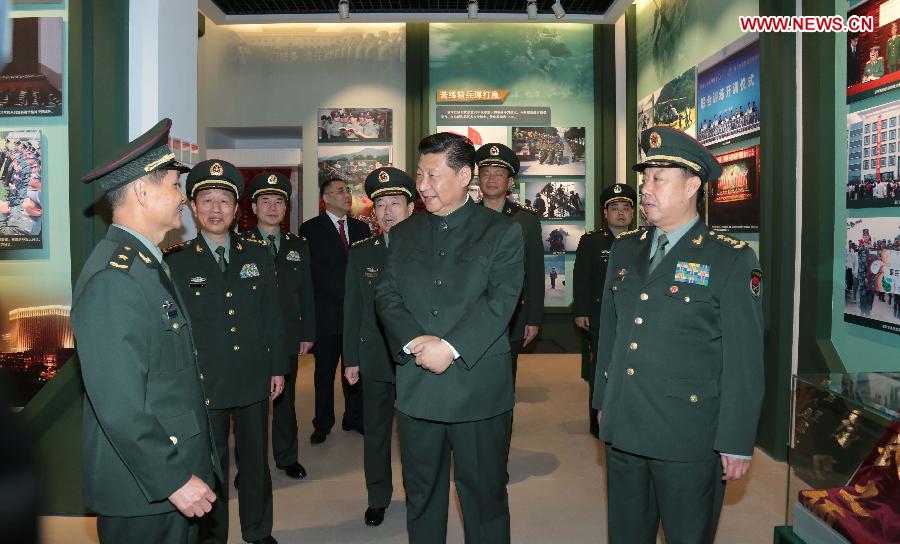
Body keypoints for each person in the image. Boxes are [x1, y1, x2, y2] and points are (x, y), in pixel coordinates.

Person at [593, 126, 764, 543]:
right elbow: (611, 333)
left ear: (691, 186)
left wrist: (736, 440)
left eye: (658, 179)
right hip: (626, 423)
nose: (645, 189)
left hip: (688, 434)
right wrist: (602, 401)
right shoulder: (626, 248)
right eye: (645, 178)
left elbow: (744, 359)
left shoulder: (730, 258)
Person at [72, 118, 218, 543]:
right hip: (146, 490)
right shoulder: (114, 278)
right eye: (174, 185)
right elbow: (119, 404)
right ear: (141, 190)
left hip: (166, 471)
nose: (182, 198)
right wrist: (173, 479)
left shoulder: (145, 263)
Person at [375, 132, 524, 543]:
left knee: (484, 498)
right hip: (418, 387)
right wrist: (414, 342)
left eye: (433, 175)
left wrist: (450, 347)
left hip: (478, 390)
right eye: (420, 174)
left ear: (464, 175)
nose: (422, 185)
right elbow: (386, 294)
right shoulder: (404, 233)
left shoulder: (501, 231)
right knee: (421, 495)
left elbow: (502, 299)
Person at [165, 159, 286, 544]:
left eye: (224, 201)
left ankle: (258, 530)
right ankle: (212, 536)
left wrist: (278, 367)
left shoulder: (257, 253)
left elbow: (272, 315)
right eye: (207, 201)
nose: (215, 209)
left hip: (252, 374)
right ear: (193, 207)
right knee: (210, 464)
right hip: (206, 379)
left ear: (236, 210)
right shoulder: (177, 261)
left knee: (254, 460)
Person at [343, 167, 417, 528]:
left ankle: (418, 493)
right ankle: (377, 497)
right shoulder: (362, 253)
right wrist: (351, 358)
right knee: (375, 433)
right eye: (381, 205)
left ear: (410, 208)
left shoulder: (428, 250)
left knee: (417, 434)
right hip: (374, 356)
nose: (388, 212)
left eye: (395, 203)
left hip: (417, 359)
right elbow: (353, 308)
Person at [241, 172, 316, 481]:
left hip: (286, 335)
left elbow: (307, 292)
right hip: (251, 338)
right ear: (254, 208)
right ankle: (250, 464)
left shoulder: (298, 245)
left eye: (278, 202)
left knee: (285, 401)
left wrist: (307, 333)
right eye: (265, 201)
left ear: (286, 208)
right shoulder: (240, 244)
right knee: (251, 405)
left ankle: (287, 456)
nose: (272, 207)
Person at [299, 177, 371, 444]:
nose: (346, 195)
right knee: (324, 373)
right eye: (339, 191)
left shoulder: (361, 228)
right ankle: (322, 422)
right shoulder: (311, 229)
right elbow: (313, 273)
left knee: (354, 369)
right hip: (327, 314)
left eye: (347, 190)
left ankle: (354, 417)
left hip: (356, 316)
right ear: (326, 198)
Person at [476, 142, 544, 382]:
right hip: (473, 312)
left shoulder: (525, 220)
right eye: (486, 173)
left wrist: (533, 318)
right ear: (478, 179)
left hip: (513, 313)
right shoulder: (466, 218)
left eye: (498, 174)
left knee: (505, 378)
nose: (491, 179)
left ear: (510, 181)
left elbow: (535, 271)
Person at [572, 182, 636, 437]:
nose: (621, 213)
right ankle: (597, 422)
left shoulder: (642, 240)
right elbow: (581, 278)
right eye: (615, 208)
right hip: (600, 315)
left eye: (625, 208)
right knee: (602, 366)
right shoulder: (592, 241)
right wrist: (580, 310)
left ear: (633, 213)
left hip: (632, 315)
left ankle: (626, 417)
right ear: (605, 213)